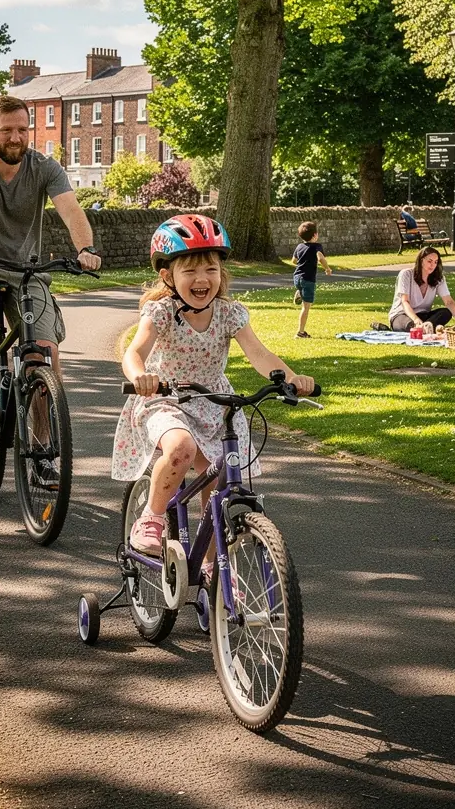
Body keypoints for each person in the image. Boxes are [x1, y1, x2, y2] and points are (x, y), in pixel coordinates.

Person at [113, 214, 315, 554]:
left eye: (210, 269)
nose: (201, 278)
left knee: (221, 475)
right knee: (181, 449)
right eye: (189, 270)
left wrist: (291, 379)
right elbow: (135, 352)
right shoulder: (161, 312)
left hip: (215, 401)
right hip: (165, 397)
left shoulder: (229, 313)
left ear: (221, 273)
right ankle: (152, 516)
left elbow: (260, 354)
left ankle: (212, 567)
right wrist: (140, 377)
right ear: (168, 275)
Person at [0, 94, 102, 428]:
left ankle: (42, 452)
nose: (16, 138)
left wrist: (87, 249)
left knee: (44, 357)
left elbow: (71, 211)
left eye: (23, 130)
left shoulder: (45, 168)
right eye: (7, 130)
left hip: (27, 270)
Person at [381, 246, 455, 332]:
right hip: (402, 314)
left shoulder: (439, 279)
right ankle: (423, 328)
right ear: (421, 260)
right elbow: (405, 301)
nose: (433, 265)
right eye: (429, 261)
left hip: (423, 316)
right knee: (409, 326)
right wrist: (415, 319)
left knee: (446, 312)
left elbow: (448, 302)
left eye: (435, 262)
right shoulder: (406, 274)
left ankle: (426, 327)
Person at [292, 220, 333, 338]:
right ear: (315, 235)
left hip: (297, 276)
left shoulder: (299, 246)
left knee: (301, 288)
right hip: (308, 279)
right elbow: (320, 258)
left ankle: (299, 291)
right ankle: (300, 332)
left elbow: (294, 261)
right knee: (306, 307)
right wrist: (327, 269)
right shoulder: (317, 246)